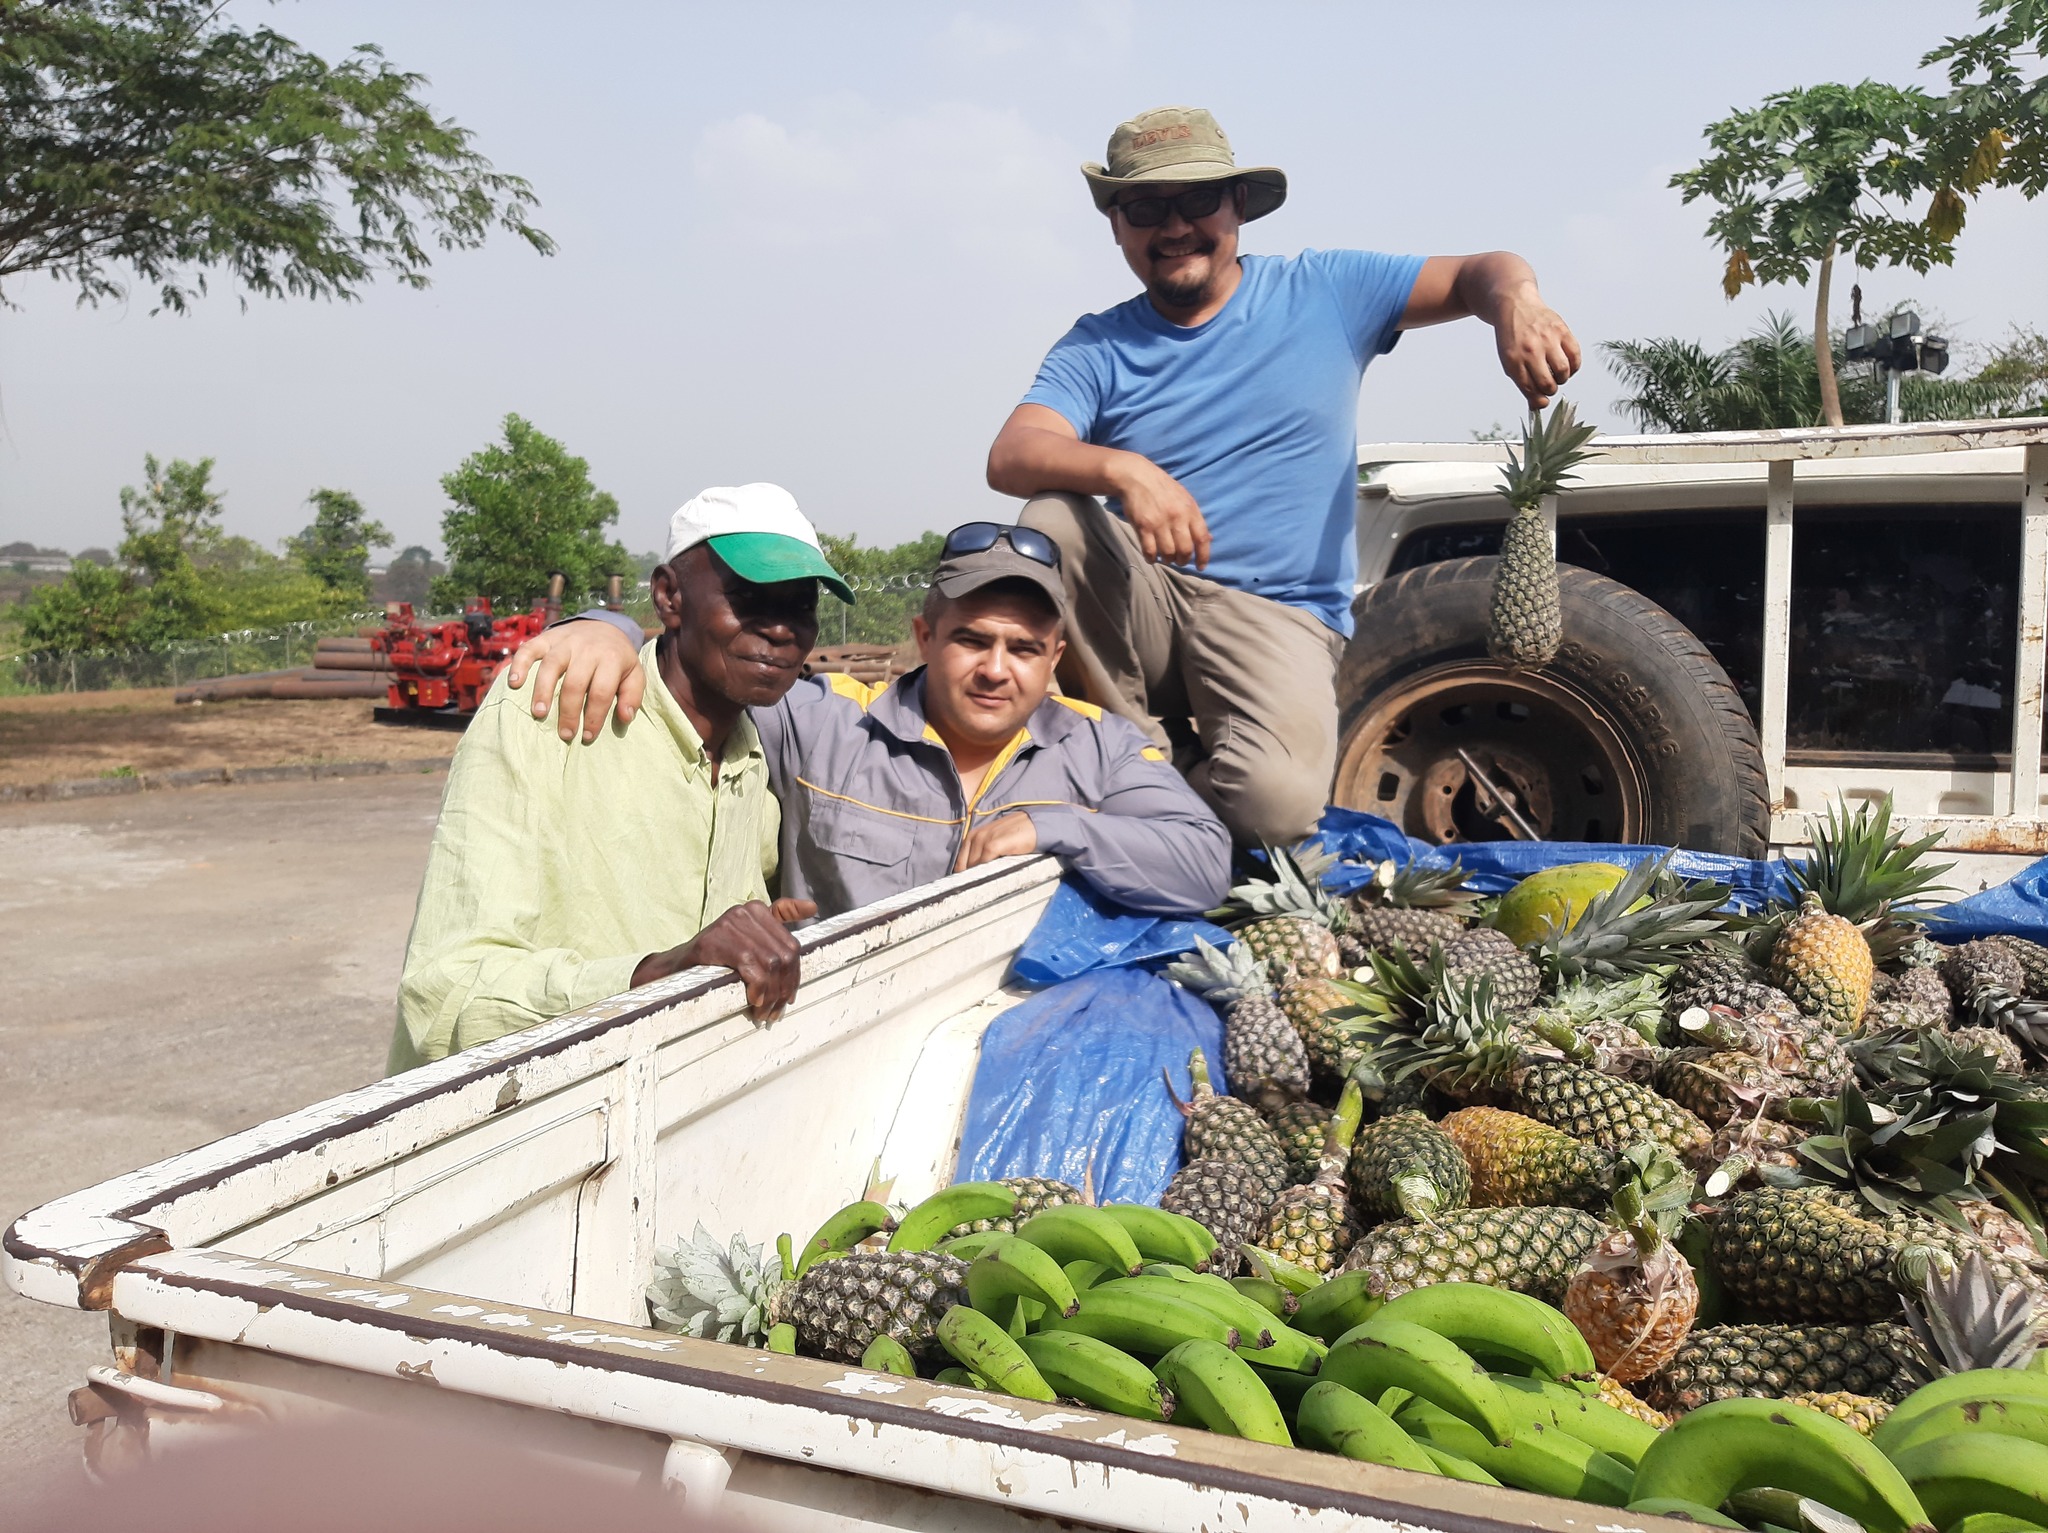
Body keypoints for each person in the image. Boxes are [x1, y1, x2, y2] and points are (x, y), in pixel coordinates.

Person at [984, 105, 1584, 846]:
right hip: (1152, 598)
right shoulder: (1098, 346)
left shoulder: (1324, 292)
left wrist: (1516, 303)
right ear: (1116, 224)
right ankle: (1133, 759)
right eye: (1145, 207)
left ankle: (1167, 790)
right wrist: (1124, 468)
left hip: (1278, 615)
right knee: (1051, 520)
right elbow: (1011, 452)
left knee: (1274, 811)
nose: (1174, 227)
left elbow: (1475, 272)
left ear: (1238, 204)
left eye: (1197, 200)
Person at [507, 521, 1233, 919]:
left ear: (1055, 659)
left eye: (1024, 649)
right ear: (924, 638)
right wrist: (607, 628)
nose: (995, 669)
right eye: (972, 640)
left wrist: (1057, 828)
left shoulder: (1100, 749)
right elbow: (702, 663)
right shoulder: (826, 726)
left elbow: (1204, 866)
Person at [387, 483, 852, 1073]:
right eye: (751, 599)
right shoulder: (549, 712)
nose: (782, 630)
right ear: (669, 596)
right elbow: (445, 996)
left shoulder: (749, 765)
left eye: (799, 608)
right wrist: (660, 970)